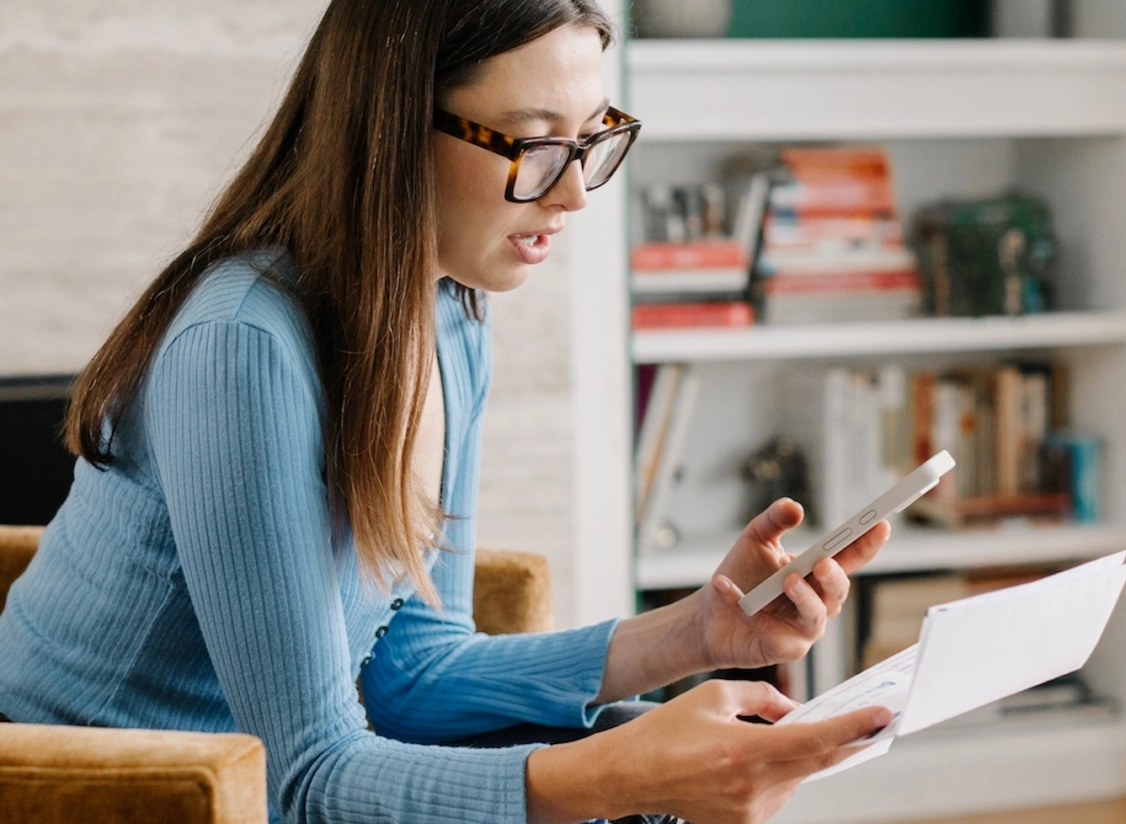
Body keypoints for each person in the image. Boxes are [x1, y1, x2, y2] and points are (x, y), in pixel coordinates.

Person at [0, 2, 893, 822]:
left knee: (635, 759)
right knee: (632, 782)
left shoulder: (449, 316)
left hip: (268, 770)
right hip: (109, 785)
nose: (575, 192)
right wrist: (626, 770)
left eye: (591, 139)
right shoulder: (243, 344)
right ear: (390, 132)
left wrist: (699, 632)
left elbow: (410, 672)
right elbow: (303, 776)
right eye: (533, 144)